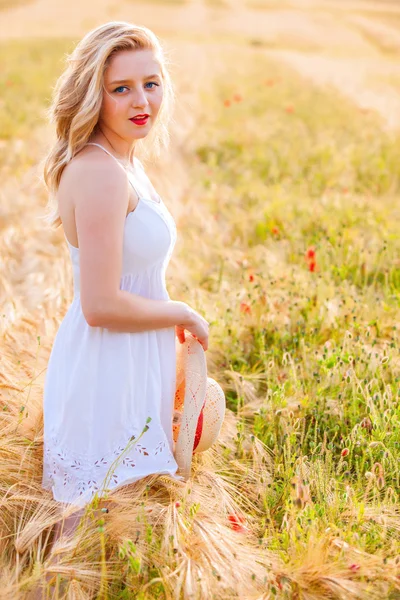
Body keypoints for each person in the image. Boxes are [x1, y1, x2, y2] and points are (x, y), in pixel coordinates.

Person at [40, 20, 209, 539]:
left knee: (121, 536)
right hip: (105, 369)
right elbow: (100, 304)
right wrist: (181, 313)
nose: (142, 101)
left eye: (151, 83)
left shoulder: (125, 160)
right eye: (122, 88)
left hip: (135, 361)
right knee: (81, 539)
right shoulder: (99, 171)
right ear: (95, 94)